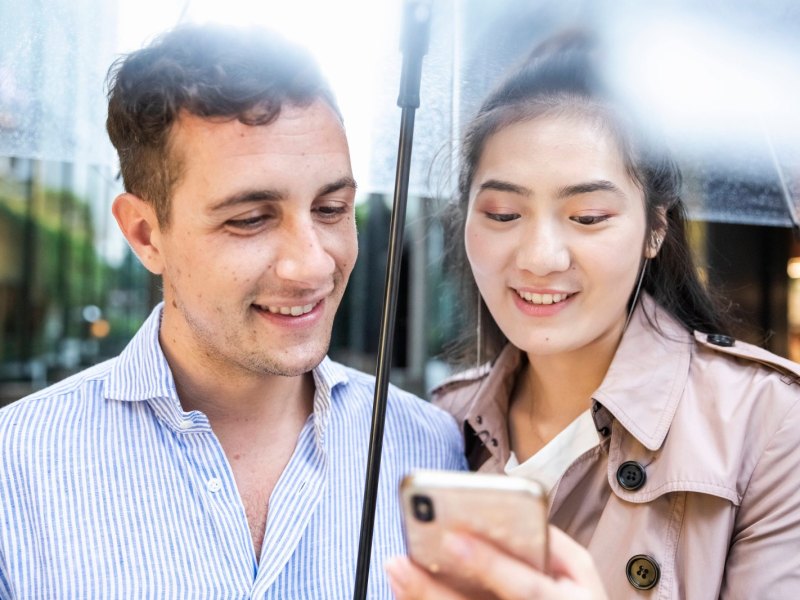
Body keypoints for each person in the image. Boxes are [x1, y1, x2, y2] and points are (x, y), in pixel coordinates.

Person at [0, 23, 466, 598]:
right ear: (146, 234)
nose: (312, 266)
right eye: (250, 219)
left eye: (331, 208)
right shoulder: (14, 466)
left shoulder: (430, 446)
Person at [385, 30, 800, 598]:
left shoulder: (771, 425)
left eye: (588, 217)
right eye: (504, 214)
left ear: (656, 228)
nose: (539, 258)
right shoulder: (440, 423)